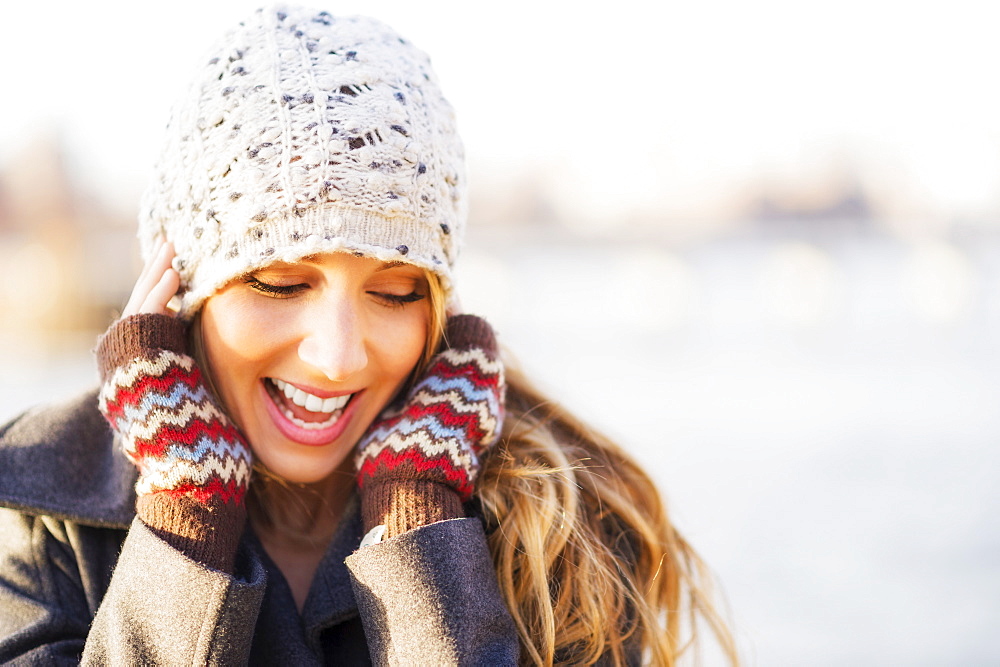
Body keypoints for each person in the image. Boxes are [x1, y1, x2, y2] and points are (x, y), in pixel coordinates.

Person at [0, 5, 737, 665]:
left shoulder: (562, 528)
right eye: (279, 282)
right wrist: (187, 511)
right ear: (179, 286)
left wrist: (419, 527)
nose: (338, 354)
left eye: (393, 292)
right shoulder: (31, 513)